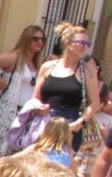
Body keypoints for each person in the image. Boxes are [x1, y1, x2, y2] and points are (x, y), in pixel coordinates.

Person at [33, 21, 102, 150]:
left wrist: (80, 122)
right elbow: (36, 97)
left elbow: (95, 103)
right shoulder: (48, 67)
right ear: (68, 43)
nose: (85, 47)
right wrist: (38, 106)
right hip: (45, 122)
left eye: (87, 44)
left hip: (70, 124)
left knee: (60, 165)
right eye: (81, 43)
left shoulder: (87, 70)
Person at [0, 24, 47, 155]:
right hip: (10, 109)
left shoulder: (38, 62)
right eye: (36, 38)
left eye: (42, 39)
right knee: (0, 147)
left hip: (27, 112)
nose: (40, 42)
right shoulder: (15, 57)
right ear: (27, 39)